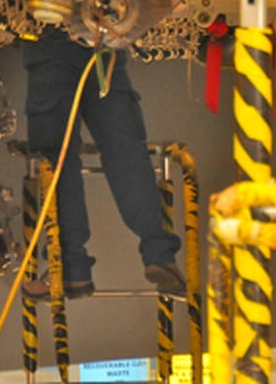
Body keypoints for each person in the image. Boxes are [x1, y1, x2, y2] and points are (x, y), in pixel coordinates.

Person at [22, 28, 186, 300]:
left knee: (58, 158)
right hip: (105, 41)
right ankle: (160, 256)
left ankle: (70, 268)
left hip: (51, 41)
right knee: (125, 150)